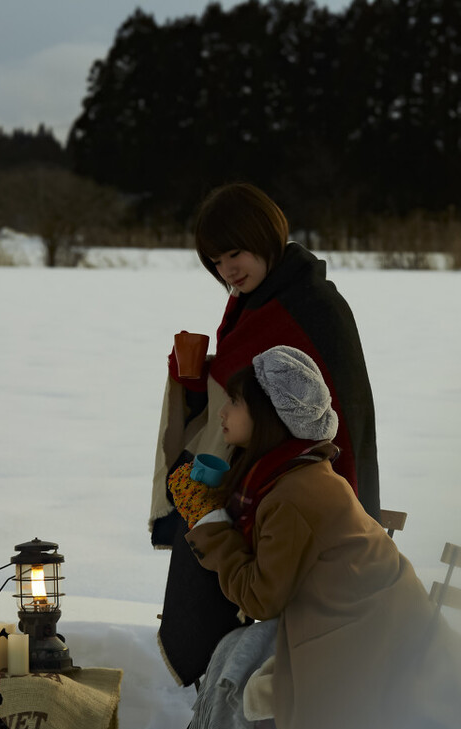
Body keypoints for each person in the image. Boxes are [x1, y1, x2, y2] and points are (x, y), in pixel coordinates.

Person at [167, 346, 461, 729]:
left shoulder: (290, 495)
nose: (223, 412)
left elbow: (260, 597)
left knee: (248, 683)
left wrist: (210, 526)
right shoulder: (290, 471)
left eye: (235, 402)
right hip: (370, 621)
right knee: (246, 668)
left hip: (368, 640)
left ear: (268, 416)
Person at [149, 183, 381, 686]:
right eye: (215, 260)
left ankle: (233, 681)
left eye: (235, 253)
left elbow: (324, 406)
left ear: (266, 238)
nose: (227, 270)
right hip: (268, 473)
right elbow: (252, 386)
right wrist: (198, 381)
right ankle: (222, 679)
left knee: (212, 530)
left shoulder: (312, 305)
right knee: (204, 523)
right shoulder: (253, 300)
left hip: (311, 485)